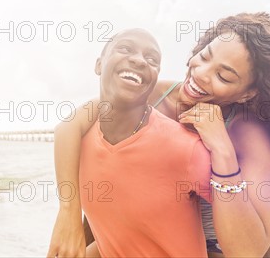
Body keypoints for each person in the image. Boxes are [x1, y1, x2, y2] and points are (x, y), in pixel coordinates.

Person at [47, 12, 270, 258]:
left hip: (223, 245)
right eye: (204, 56)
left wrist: (222, 149)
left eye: (223, 76)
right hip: (149, 232)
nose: (201, 74)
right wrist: (68, 217)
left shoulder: (248, 132)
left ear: (247, 94)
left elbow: (250, 249)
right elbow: (72, 127)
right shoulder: (153, 93)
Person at [75, 28, 212, 257]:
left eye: (152, 59)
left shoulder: (186, 148)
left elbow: (242, 218)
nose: (139, 60)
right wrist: (68, 221)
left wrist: (225, 152)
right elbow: (110, 226)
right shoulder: (80, 139)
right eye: (126, 49)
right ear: (99, 65)